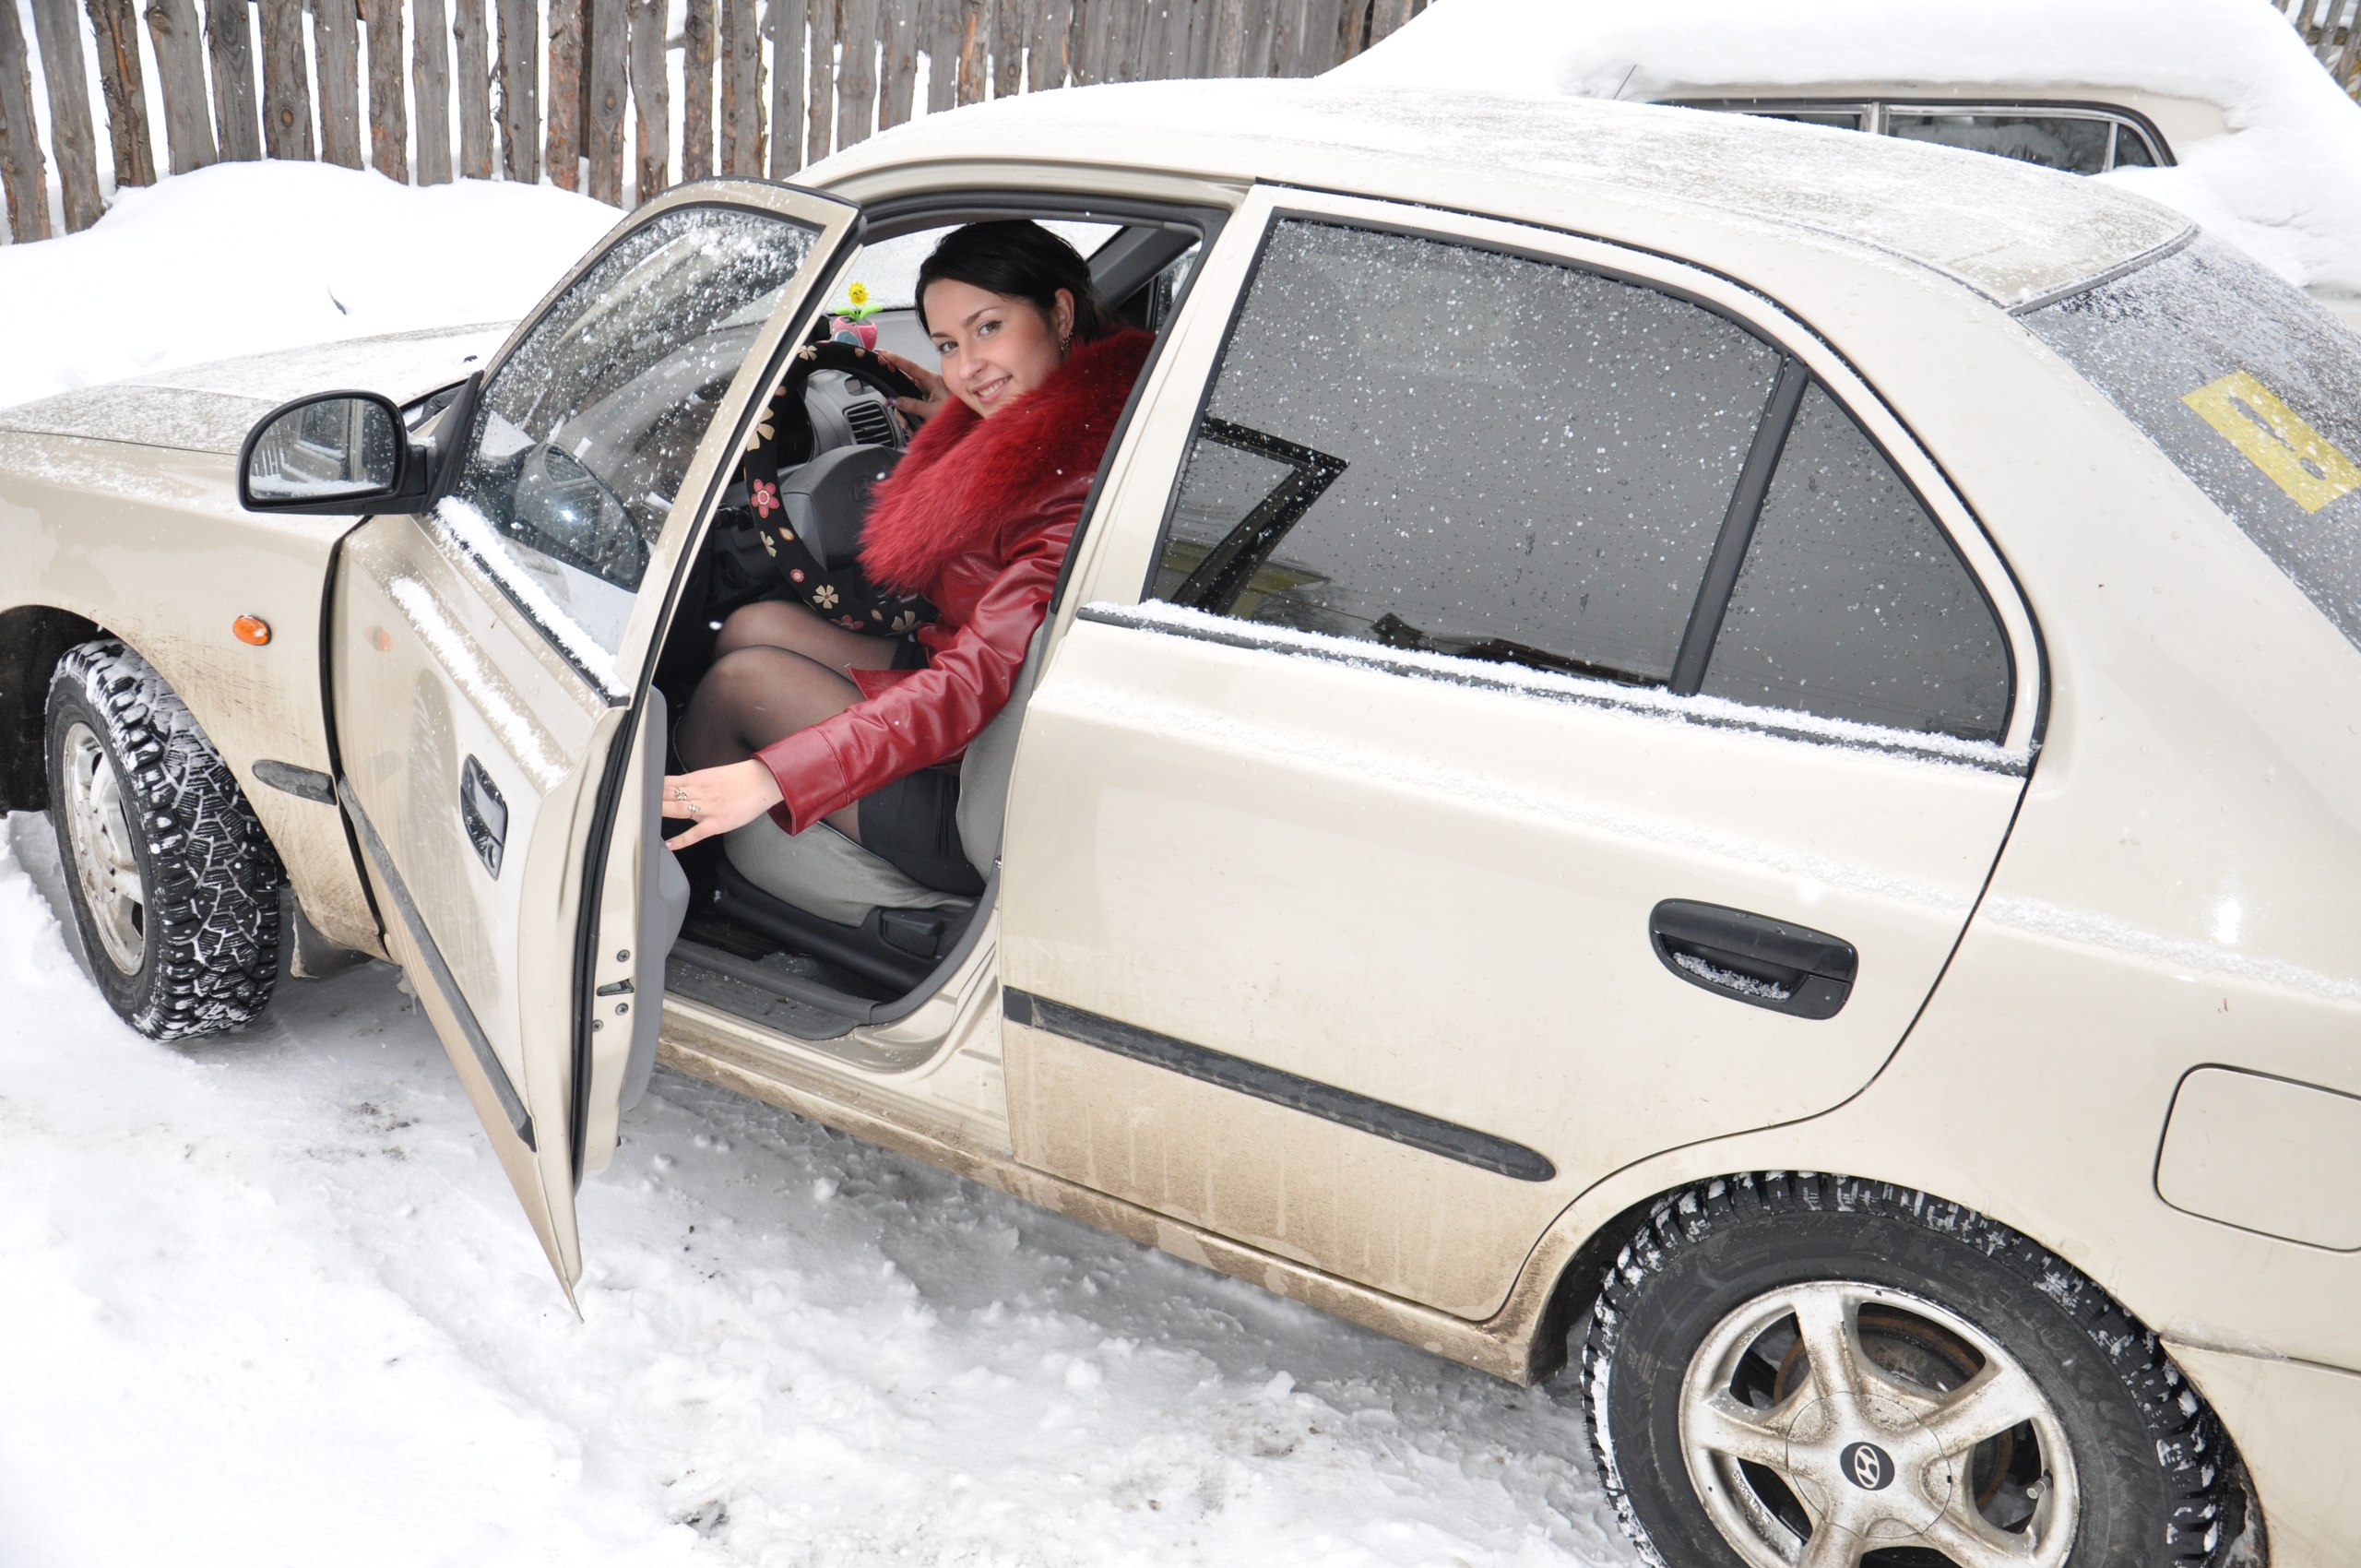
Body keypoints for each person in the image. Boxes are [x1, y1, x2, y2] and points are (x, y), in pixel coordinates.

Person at [659, 221, 1154, 893]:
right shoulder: (1092, 424)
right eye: (949, 345)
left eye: (988, 328)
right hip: (975, 699)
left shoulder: (1069, 488)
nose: (967, 367)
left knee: (735, 687)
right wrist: (962, 419)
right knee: (752, 625)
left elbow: (969, 687)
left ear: (1061, 314)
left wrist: (771, 777)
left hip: (977, 785)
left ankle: (699, 885)